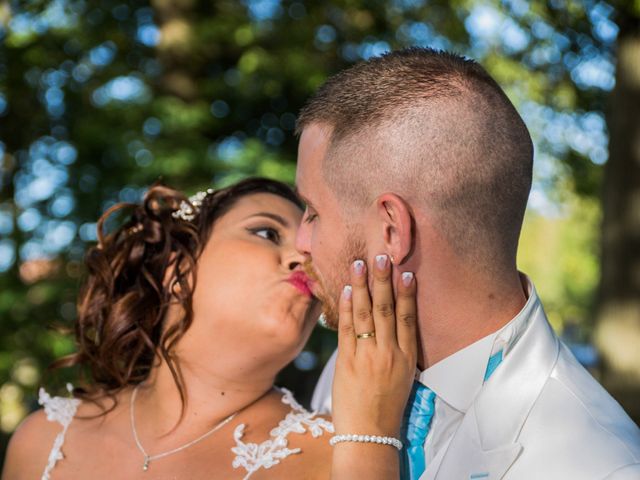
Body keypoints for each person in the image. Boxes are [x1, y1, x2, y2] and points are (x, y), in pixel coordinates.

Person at [296, 47, 640, 480]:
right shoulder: (357, 364)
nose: (299, 242)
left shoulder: (599, 465)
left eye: (312, 212)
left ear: (391, 231)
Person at [1, 177, 418, 480]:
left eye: (312, 248)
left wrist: (370, 445)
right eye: (267, 231)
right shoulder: (44, 442)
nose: (301, 258)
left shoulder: (340, 456)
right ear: (178, 270)